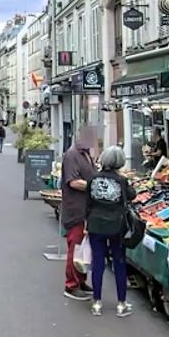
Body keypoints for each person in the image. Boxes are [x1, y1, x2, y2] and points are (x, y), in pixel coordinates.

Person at [85, 146, 136, 317]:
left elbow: (88, 202)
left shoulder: (92, 178)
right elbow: (132, 195)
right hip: (117, 226)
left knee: (97, 262)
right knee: (119, 262)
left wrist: (86, 222)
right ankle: (121, 303)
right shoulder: (121, 180)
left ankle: (97, 303)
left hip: (95, 224)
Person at [60, 127, 97, 301]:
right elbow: (73, 182)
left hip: (86, 208)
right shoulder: (72, 155)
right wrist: (94, 186)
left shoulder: (86, 154)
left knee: (83, 247)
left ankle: (80, 280)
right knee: (75, 246)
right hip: (76, 208)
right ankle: (71, 285)